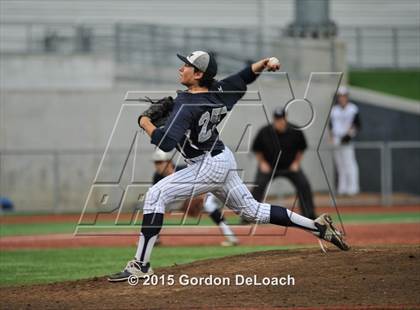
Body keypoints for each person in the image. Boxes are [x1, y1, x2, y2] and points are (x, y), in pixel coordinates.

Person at [108, 51, 349, 282]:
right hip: (221, 158)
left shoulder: (185, 104)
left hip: (208, 164)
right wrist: (266, 62)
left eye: (187, 66)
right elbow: (246, 75)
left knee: (154, 195)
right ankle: (316, 226)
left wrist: (145, 122)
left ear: (199, 74)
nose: (181, 68)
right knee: (252, 211)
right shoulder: (220, 90)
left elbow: (166, 142)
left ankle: (141, 266)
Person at [151, 149, 239, 247]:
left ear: (169, 162)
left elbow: (204, 180)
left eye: (160, 162)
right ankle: (154, 238)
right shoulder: (157, 177)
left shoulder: (182, 170)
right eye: (156, 163)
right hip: (184, 197)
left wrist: (201, 197)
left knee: (208, 205)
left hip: (205, 188)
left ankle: (231, 237)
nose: (157, 165)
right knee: (156, 207)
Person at [251, 107, 316, 219]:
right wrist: (262, 163)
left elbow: (301, 148)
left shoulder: (295, 131)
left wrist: (296, 163)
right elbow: (257, 149)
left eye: (281, 119)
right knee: (258, 186)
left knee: (304, 185)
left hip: (290, 167)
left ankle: (309, 215)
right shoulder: (265, 131)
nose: (279, 122)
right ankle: (250, 216)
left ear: (286, 118)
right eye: (277, 119)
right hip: (269, 167)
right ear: (273, 119)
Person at [329, 86, 361, 196]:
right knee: (339, 165)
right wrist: (332, 138)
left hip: (347, 139)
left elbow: (357, 125)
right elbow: (331, 125)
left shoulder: (353, 108)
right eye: (340, 96)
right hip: (337, 139)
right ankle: (342, 189)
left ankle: (353, 188)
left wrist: (349, 135)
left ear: (347, 97)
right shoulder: (334, 110)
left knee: (349, 163)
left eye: (344, 96)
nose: (342, 98)